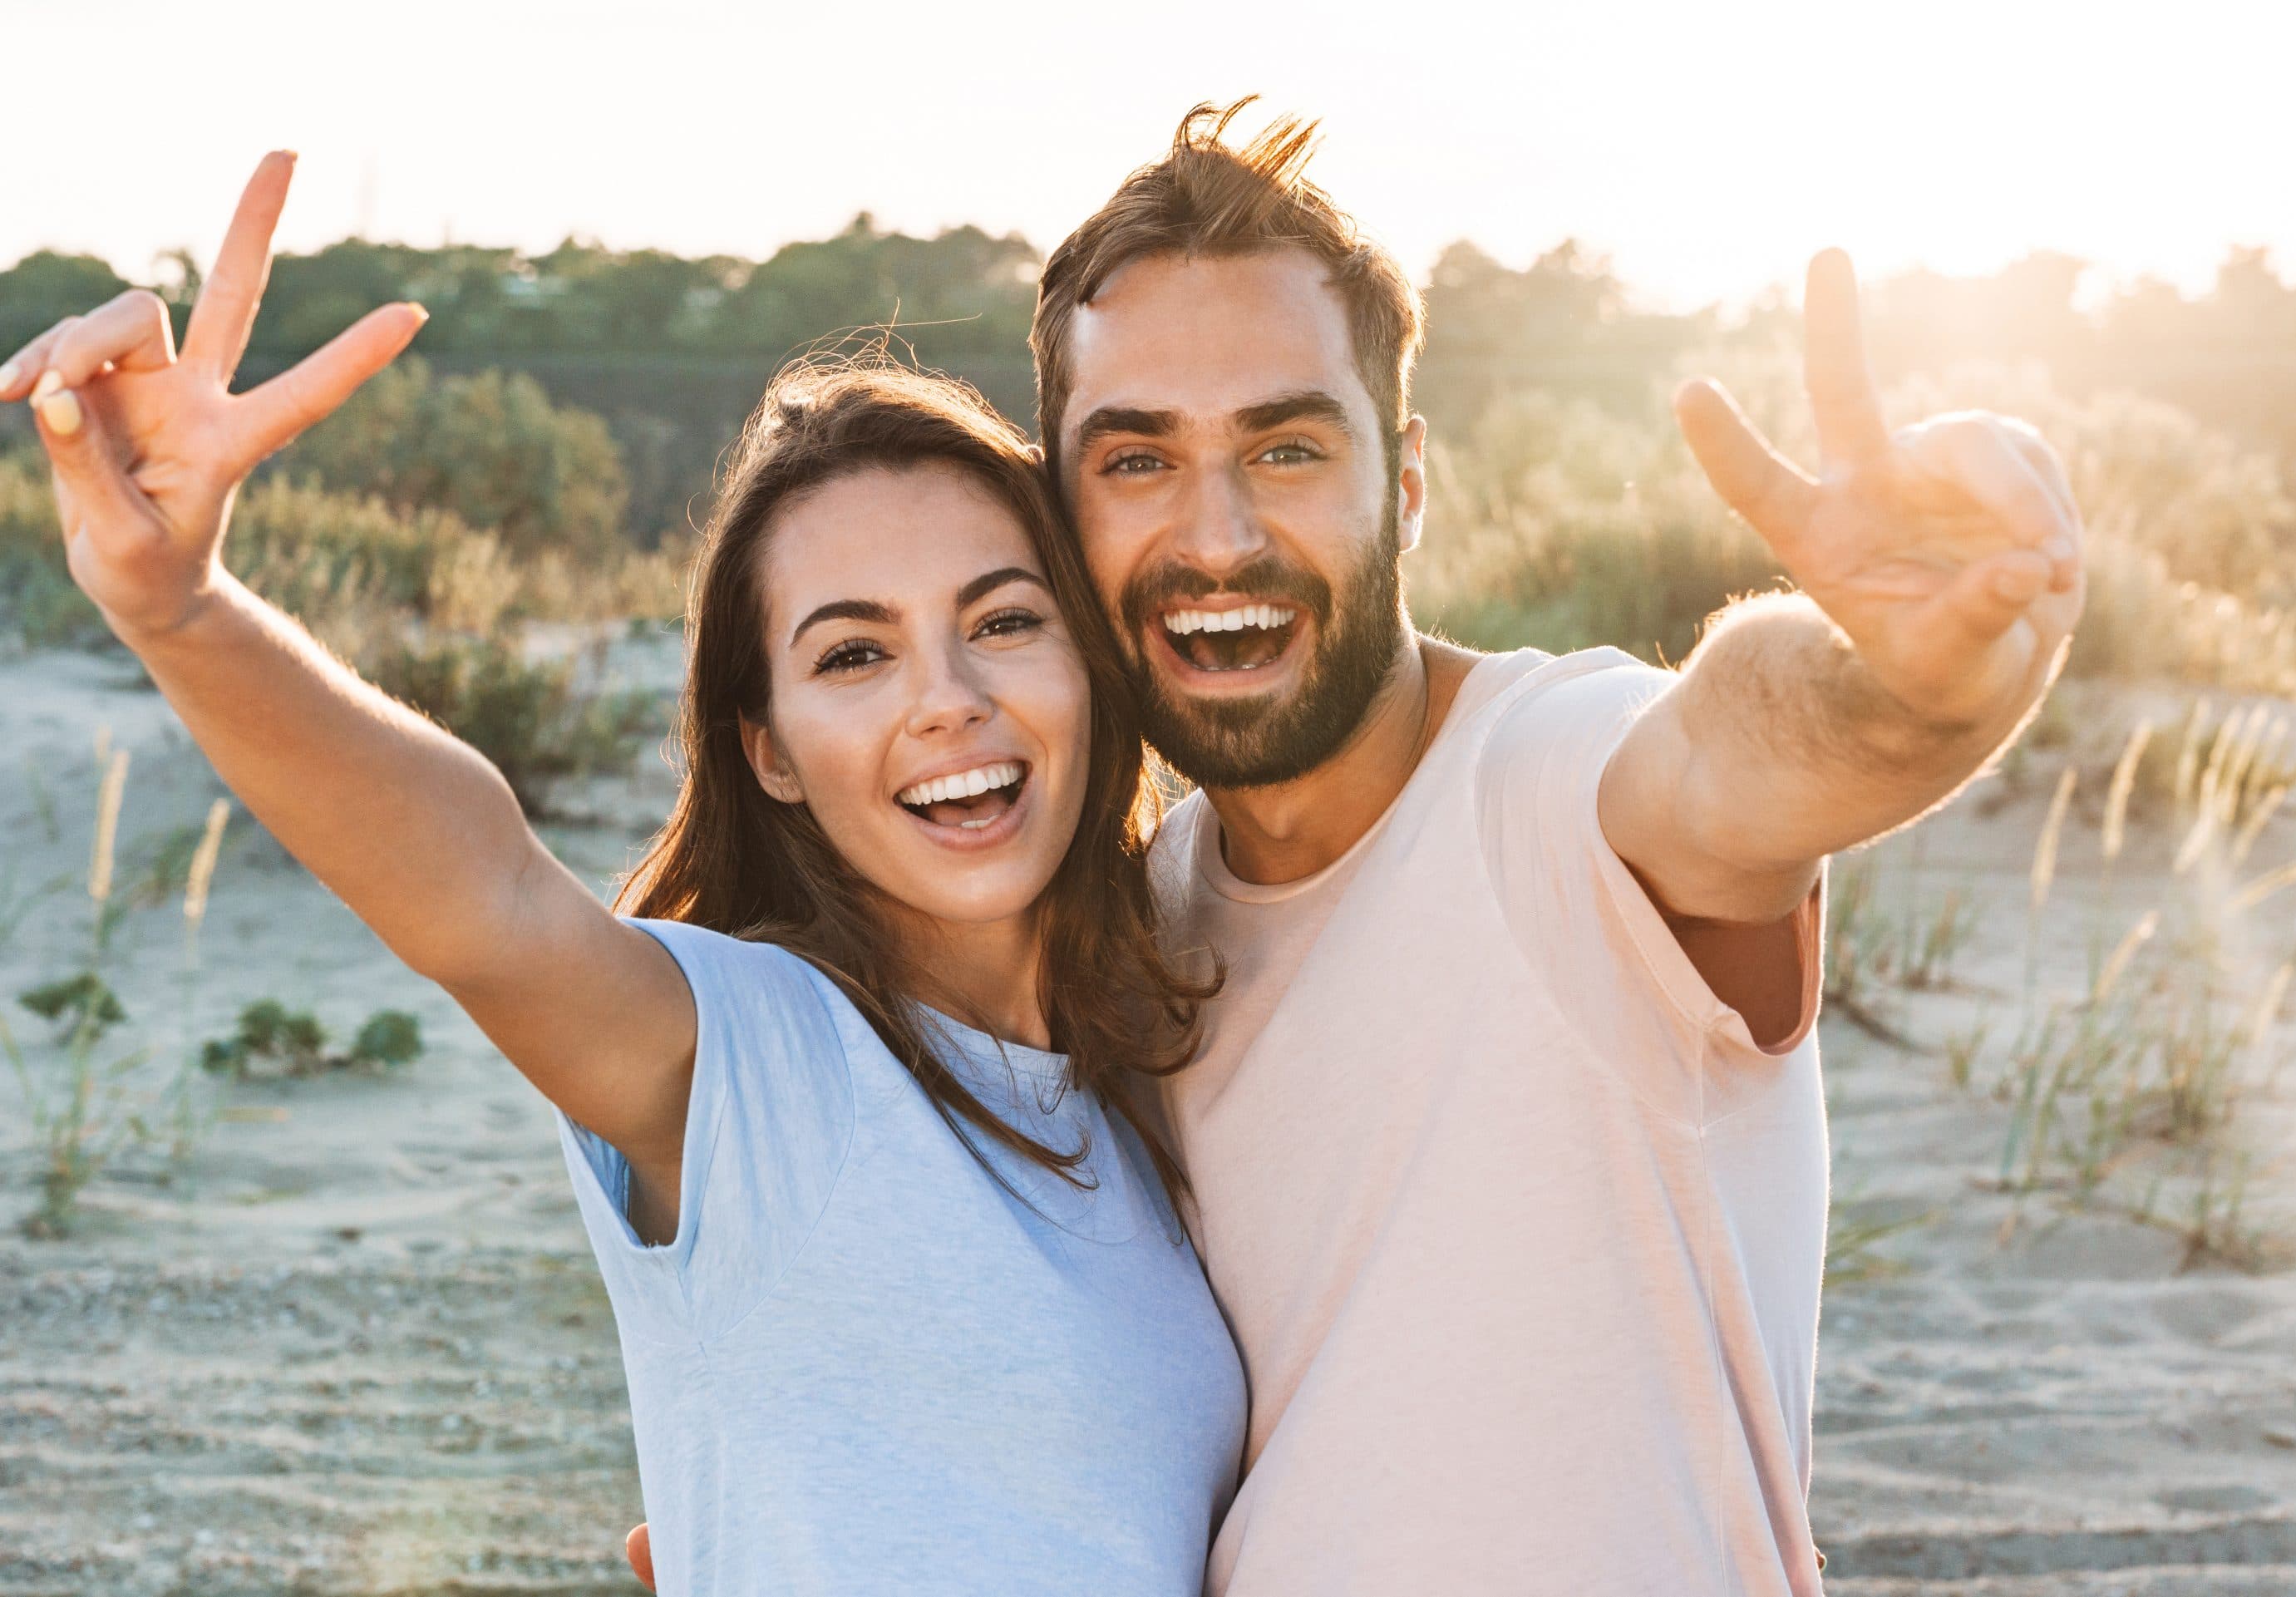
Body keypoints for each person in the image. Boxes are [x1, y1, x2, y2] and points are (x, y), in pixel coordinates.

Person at [630, 103, 2086, 1593]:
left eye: (1286, 446)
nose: (1217, 536)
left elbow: (1743, 750)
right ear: (1063, 517)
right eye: (1137, 462)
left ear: (1406, 480)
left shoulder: (1552, 789)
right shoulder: (1119, 946)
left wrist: (1910, 679)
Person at [2, 152, 1246, 1597]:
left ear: (1087, 668)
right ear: (768, 750)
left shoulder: (1152, 1072)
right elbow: (491, 898)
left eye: (1006, 620)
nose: (947, 697)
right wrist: (183, 608)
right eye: (853, 653)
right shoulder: (755, 1061)